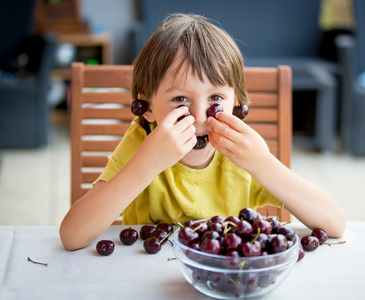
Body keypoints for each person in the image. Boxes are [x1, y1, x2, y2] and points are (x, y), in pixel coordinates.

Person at [60, 14, 346, 251]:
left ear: (236, 104)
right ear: (146, 107)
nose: (198, 117)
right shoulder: (141, 144)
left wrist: (263, 164)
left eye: (215, 99)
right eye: (180, 100)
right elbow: (72, 236)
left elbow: (334, 223)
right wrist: (144, 165)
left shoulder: (243, 152)